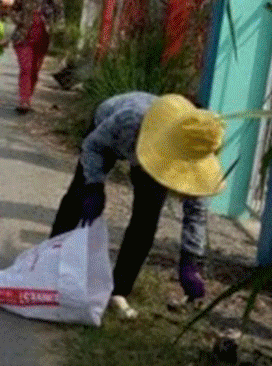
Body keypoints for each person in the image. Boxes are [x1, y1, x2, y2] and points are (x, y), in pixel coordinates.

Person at [49, 92, 225, 319]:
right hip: (114, 132)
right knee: (78, 195)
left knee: (146, 218)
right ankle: (52, 262)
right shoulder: (130, 119)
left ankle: (119, 290)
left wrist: (191, 259)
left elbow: (196, 210)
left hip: (159, 152)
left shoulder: (196, 148)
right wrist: (94, 185)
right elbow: (93, 146)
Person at [11, 0, 64, 114]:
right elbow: (13, 10)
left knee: (34, 71)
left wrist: (58, 30)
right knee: (26, 68)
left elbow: (60, 16)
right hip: (23, 37)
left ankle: (28, 97)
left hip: (43, 39)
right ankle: (24, 101)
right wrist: (20, 20)